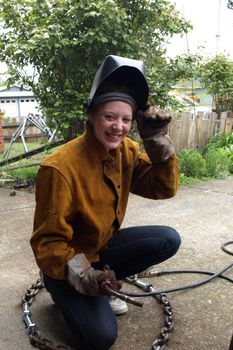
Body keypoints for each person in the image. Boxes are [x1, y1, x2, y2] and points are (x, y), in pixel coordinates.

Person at [30, 55, 181, 350]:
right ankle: (62, 293)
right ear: (92, 115)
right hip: (67, 264)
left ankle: (106, 284)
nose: (118, 127)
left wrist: (157, 142)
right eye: (110, 117)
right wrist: (86, 276)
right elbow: (48, 245)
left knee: (167, 240)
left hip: (103, 250)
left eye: (126, 119)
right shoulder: (59, 168)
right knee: (102, 337)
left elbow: (163, 188)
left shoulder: (127, 151)